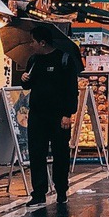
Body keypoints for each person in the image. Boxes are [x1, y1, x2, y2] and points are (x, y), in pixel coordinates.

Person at [21, 23, 80, 206]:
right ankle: (39, 192)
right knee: (36, 153)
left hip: (58, 116)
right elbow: (27, 86)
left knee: (60, 153)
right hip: (37, 115)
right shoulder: (33, 60)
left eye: (33, 41)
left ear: (43, 42)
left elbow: (72, 89)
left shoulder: (64, 59)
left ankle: (61, 189)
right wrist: (24, 79)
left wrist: (68, 113)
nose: (31, 45)